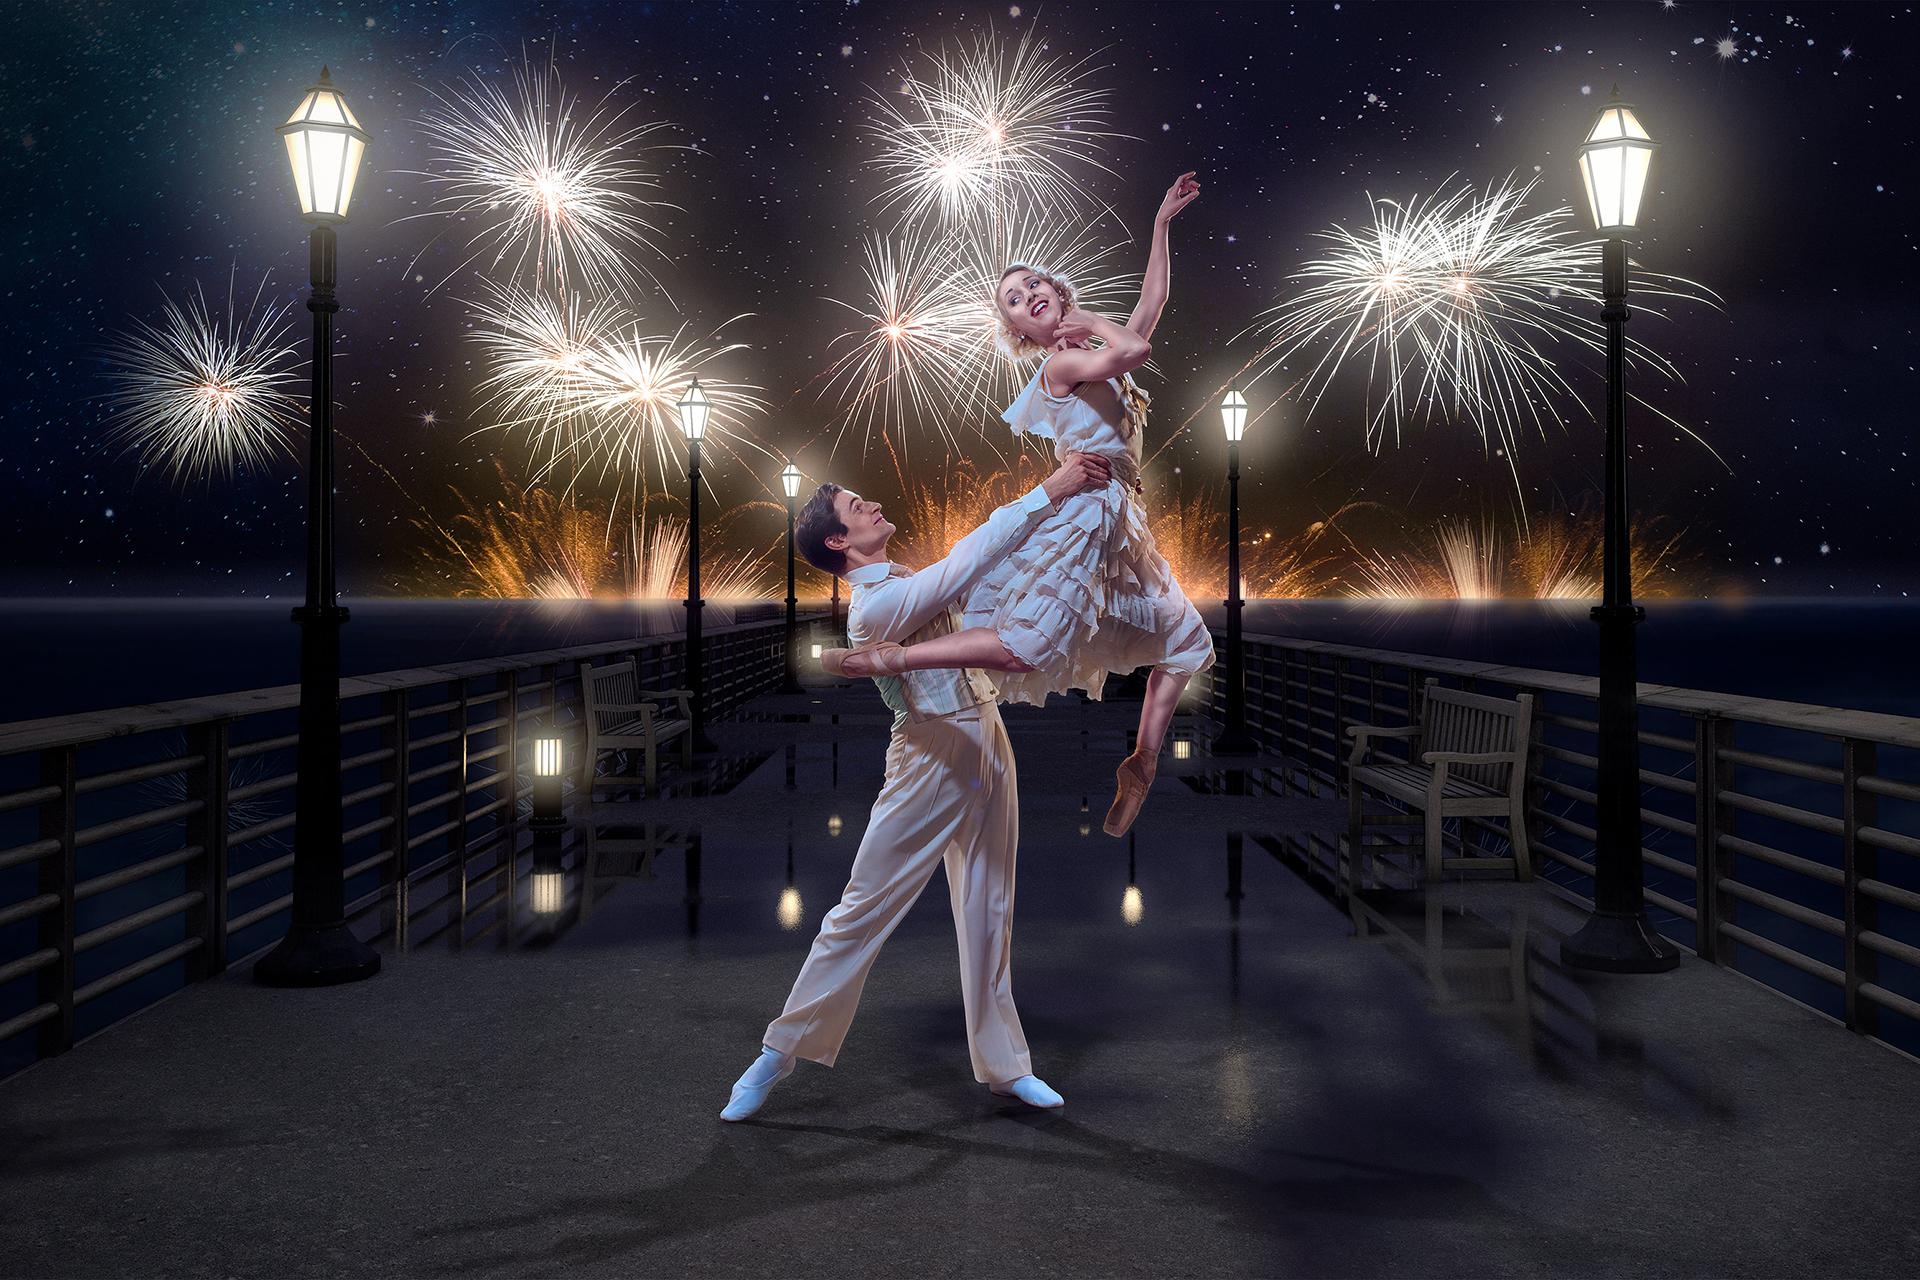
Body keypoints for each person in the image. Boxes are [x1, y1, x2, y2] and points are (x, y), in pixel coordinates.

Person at [719, 450, 1114, 1122]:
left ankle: (1006, 1067)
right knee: (863, 906)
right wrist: (1050, 489)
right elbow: (968, 557)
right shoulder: (875, 608)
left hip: (985, 735)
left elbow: (990, 577)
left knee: (991, 907)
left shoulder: (902, 580)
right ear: (839, 543)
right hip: (929, 754)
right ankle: (776, 1054)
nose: (871, 504)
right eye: (854, 507)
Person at [822, 172, 1215, 838]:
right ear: (1016, 328)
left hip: (1124, 520)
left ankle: (1142, 764)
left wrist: (1159, 226)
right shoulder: (1061, 365)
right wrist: (1081, 317)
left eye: (1034, 284)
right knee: (1025, 645)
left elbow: (1150, 308)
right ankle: (889, 657)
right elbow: (1137, 344)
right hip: (1087, 510)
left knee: (1187, 640)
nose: (1028, 294)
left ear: (1056, 289)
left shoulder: (1093, 351)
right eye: (1014, 298)